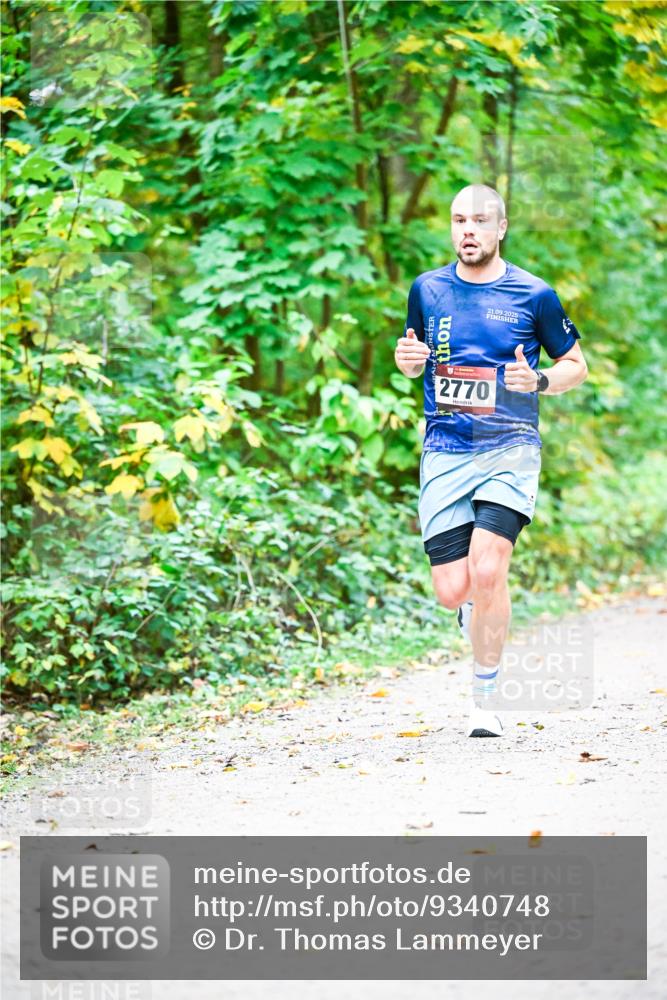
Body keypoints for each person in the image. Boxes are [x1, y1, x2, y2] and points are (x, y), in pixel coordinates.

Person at [395, 183, 588, 738]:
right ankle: (472, 611)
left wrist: (543, 380)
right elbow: (414, 360)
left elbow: (576, 364)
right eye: (459, 221)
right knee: (453, 590)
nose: (468, 230)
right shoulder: (427, 290)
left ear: (501, 228)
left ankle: (485, 698)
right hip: (446, 448)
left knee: (488, 568)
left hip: (511, 446)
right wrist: (408, 361)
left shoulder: (535, 294)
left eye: (480, 220)